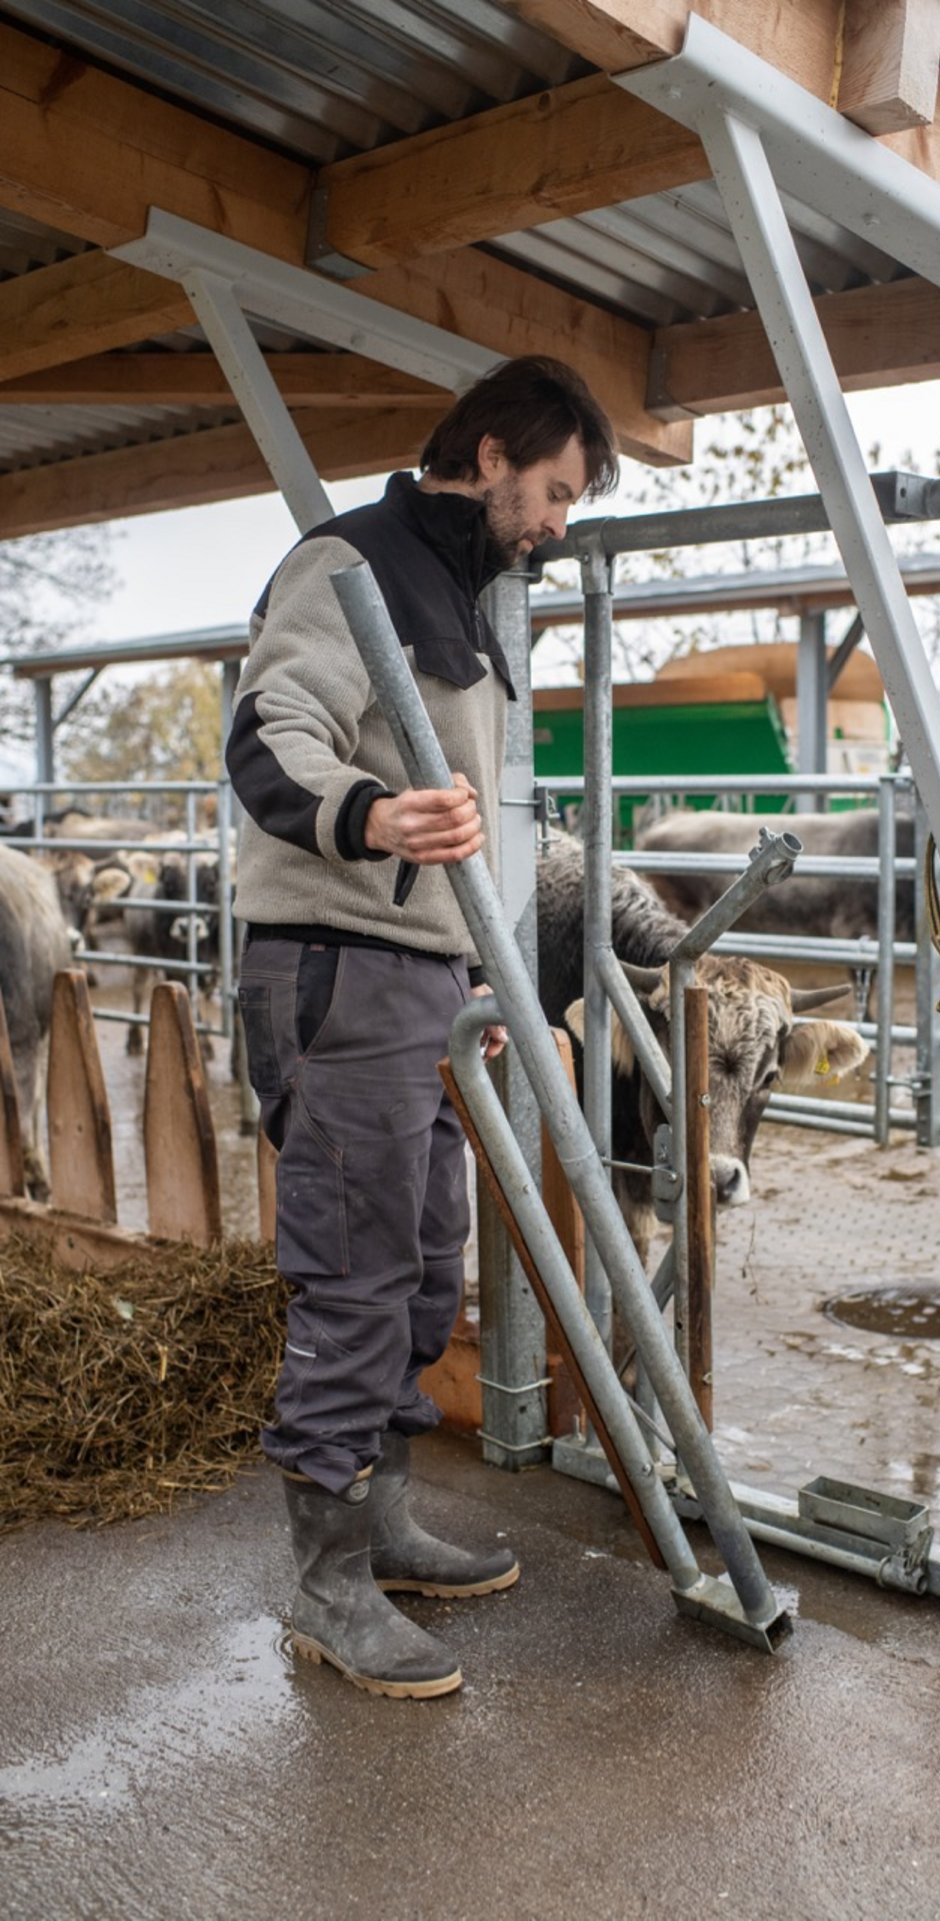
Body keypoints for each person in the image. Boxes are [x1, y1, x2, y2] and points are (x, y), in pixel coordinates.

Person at [227, 356, 618, 1699]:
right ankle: (326, 1583)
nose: (561, 518)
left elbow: (463, 805)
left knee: (422, 1250)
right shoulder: (352, 562)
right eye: (556, 487)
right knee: (356, 1261)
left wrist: (468, 976)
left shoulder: (462, 593)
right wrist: (374, 817)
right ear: (494, 449)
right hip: (334, 963)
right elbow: (267, 736)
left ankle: (382, 1526)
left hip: (417, 975)